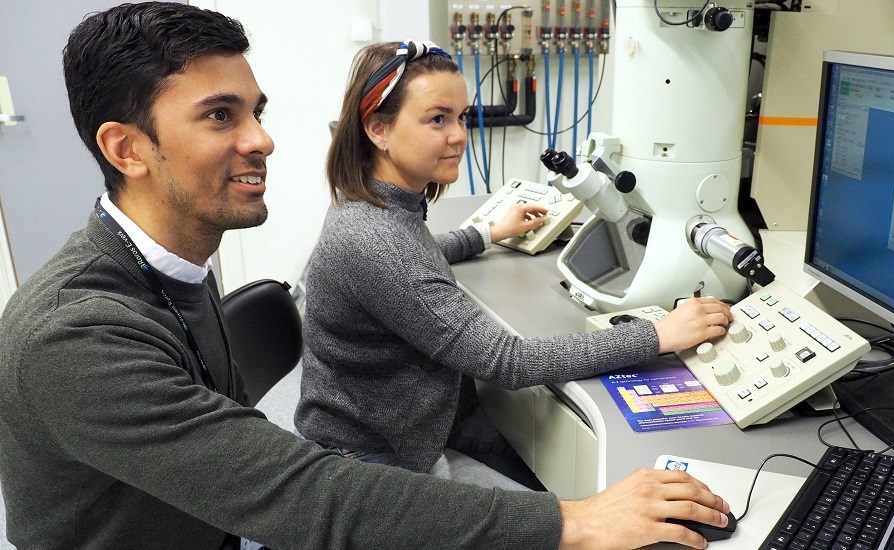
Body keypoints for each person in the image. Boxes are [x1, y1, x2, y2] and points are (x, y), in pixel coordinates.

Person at [0, 3, 733, 549]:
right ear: (127, 149)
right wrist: (574, 520)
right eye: (220, 116)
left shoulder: (173, 270)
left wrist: (479, 233)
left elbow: (403, 261)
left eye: (255, 111)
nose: (262, 139)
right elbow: (308, 495)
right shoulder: (74, 337)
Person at [295, 39, 735, 490]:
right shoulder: (377, 240)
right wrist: (658, 335)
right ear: (378, 130)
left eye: (461, 117)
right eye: (437, 119)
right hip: (372, 463)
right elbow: (509, 362)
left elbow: (419, 253)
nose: (459, 135)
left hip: (411, 424)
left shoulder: (375, 206)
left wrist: (489, 233)